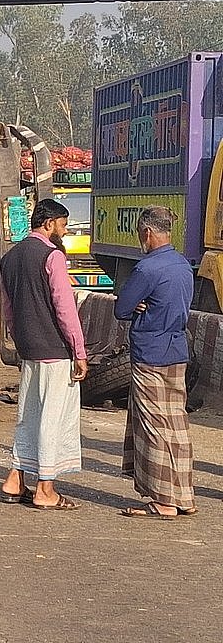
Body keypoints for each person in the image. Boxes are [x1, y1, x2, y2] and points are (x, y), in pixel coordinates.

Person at [0, 199, 88, 511]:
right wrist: (79, 351)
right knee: (53, 417)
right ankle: (45, 488)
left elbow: (8, 311)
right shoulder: (53, 256)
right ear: (48, 224)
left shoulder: (9, 259)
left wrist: (21, 341)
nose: (64, 231)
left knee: (28, 414)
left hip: (29, 350)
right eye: (63, 225)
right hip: (55, 349)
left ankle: (15, 478)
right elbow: (65, 308)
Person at [114, 206, 197, 519]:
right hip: (176, 350)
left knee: (153, 426)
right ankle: (185, 496)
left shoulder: (148, 269)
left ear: (147, 233)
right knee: (177, 425)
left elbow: (122, 308)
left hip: (150, 353)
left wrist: (140, 305)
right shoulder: (182, 265)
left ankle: (163, 500)